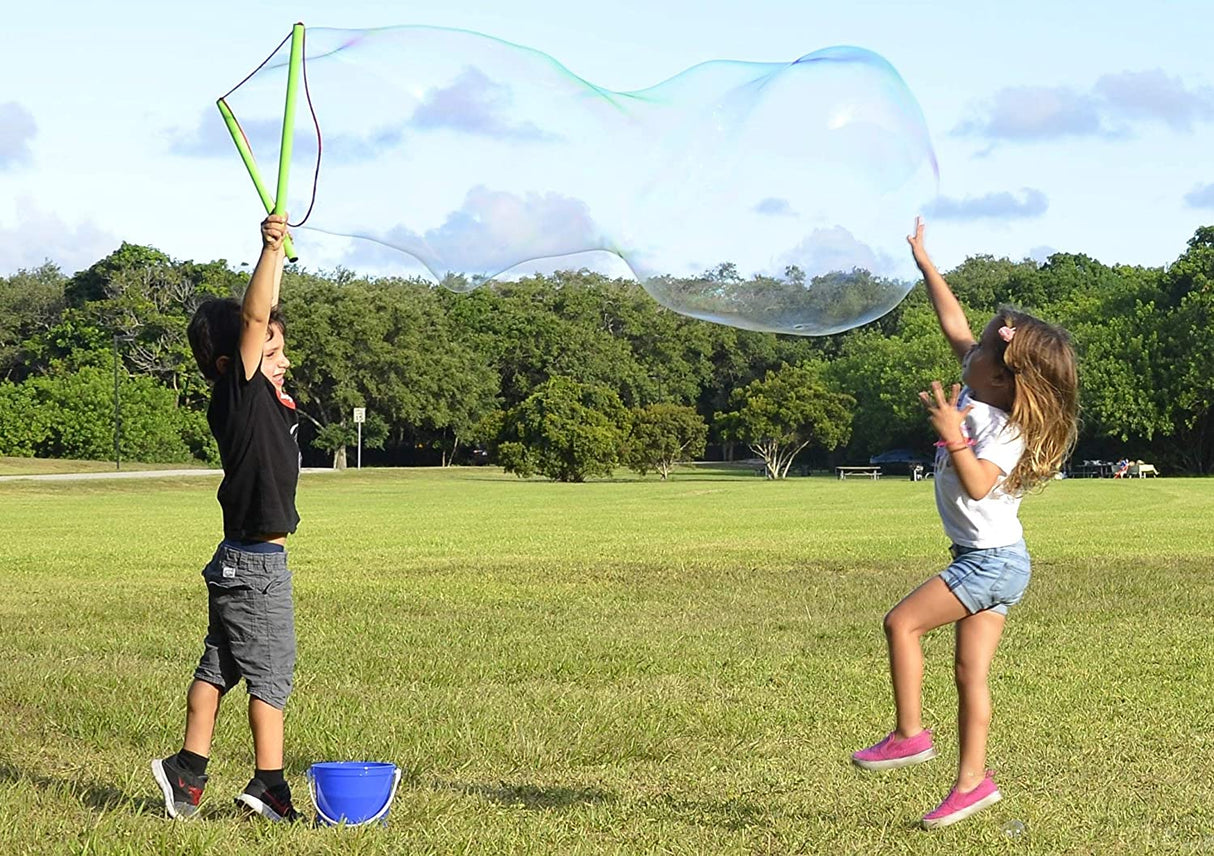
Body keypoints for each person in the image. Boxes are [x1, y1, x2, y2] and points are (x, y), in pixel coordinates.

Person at [851, 218, 1079, 829]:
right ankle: (973, 784)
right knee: (968, 673)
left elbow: (981, 482)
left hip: (992, 563)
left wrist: (954, 437)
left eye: (980, 351)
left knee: (901, 623)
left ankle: (909, 735)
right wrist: (927, 263)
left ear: (1004, 378)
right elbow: (953, 321)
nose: (967, 351)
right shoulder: (983, 390)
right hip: (987, 560)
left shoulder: (1004, 428)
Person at [151, 214, 304, 822]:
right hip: (257, 566)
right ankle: (269, 787)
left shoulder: (258, 396)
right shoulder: (238, 394)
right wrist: (267, 251)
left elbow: (264, 317)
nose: (282, 357)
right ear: (229, 358)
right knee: (271, 678)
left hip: (241, 559)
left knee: (219, 666)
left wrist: (279, 269)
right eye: (272, 345)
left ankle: (186, 771)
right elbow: (255, 316)